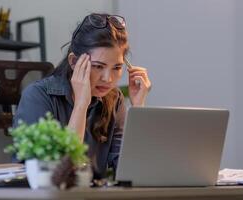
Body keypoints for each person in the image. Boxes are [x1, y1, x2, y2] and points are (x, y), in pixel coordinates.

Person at [13, 13, 151, 177]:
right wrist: (81, 104)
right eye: (98, 66)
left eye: (116, 68)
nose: (107, 79)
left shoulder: (114, 99)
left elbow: (132, 172)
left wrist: (138, 108)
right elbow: (60, 174)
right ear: (73, 62)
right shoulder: (37, 96)